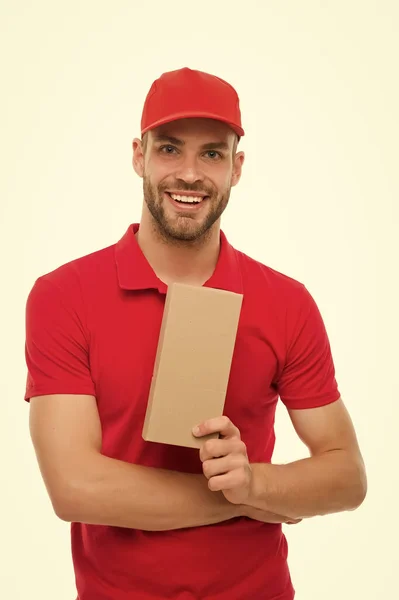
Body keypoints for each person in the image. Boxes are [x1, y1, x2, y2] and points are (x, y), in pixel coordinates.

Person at [25, 67, 367, 600]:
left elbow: (346, 475)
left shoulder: (286, 303)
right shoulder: (62, 296)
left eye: (212, 153)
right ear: (139, 156)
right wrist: (248, 498)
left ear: (237, 168)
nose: (189, 173)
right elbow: (74, 488)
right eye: (169, 149)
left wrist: (255, 480)